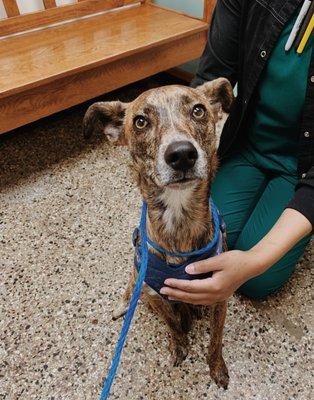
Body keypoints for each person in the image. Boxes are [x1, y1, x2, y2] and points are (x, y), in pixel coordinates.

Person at [160, 0, 313, 304]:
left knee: (257, 280)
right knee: (197, 246)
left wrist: (255, 260)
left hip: (303, 166)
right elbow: (207, 83)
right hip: (248, 145)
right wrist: (168, 152)